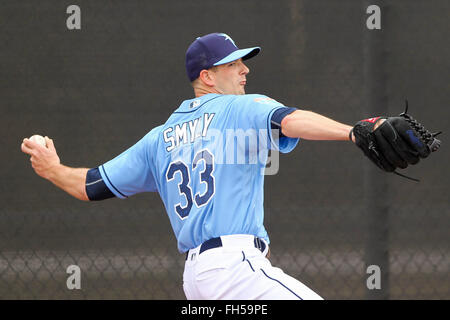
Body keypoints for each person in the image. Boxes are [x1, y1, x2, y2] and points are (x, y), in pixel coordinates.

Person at [22, 32, 363, 300]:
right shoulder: (237, 109)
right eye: (232, 64)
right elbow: (290, 119)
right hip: (235, 268)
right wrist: (354, 132)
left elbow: (91, 185)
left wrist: (53, 168)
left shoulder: (160, 139)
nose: (245, 70)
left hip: (197, 279)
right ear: (207, 77)